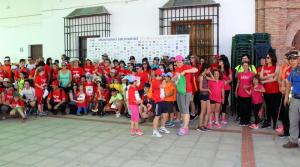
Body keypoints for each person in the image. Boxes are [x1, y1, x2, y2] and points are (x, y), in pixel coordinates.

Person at [174, 55, 198, 136]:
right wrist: (174, 78)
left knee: (185, 109)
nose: (179, 63)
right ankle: (184, 125)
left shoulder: (186, 66)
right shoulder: (177, 68)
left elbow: (195, 69)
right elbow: (175, 80)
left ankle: (185, 128)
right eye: (177, 62)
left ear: (183, 61)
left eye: (180, 62)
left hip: (187, 91)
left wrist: (185, 71)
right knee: (181, 109)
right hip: (179, 91)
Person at [259, 50, 281, 129]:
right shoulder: (263, 67)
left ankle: (275, 122)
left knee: (273, 107)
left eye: (268, 57)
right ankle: (268, 121)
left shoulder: (277, 67)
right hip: (266, 91)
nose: (266, 59)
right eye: (266, 57)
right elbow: (260, 77)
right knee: (267, 107)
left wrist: (265, 80)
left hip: (274, 91)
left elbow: (275, 79)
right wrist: (270, 75)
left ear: (272, 58)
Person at [283, 51, 300, 149]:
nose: (293, 61)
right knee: (293, 121)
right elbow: (289, 84)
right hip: (294, 99)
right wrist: (286, 97)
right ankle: (293, 141)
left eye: (295, 59)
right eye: (291, 59)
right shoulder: (293, 71)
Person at [197, 63, 213, 131]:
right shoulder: (201, 77)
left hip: (206, 95)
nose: (209, 71)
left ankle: (205, 125)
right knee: (203, 111)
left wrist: (210, 73)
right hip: (203, 95)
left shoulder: (205, 76)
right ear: (205, 69)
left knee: (208, 111)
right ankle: (200, 126)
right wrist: (208, 89)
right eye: (209, 70)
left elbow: (214, 79)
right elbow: (200, 88)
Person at [151, 69, 165, 137]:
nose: (162, 77)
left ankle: (156, 130)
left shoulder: (158, 81)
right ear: (158, 75)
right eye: (161, 75)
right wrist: (164, 80)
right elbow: (163, 86)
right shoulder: (155, 81)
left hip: (160, 101)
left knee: (159, 116)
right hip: (156, 101)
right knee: (157, 117)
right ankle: (154, 131)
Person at [219, 55, 232, 124]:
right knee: (219, 102)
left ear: (223, 62)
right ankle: (220, 115)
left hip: (226, 88)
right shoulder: (218, 69)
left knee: (223, 102)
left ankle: (223, 117)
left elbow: (231, 79)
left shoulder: (228, 69)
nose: (219, 62)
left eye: (220, 61)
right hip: (218, 88)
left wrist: (226, 82)